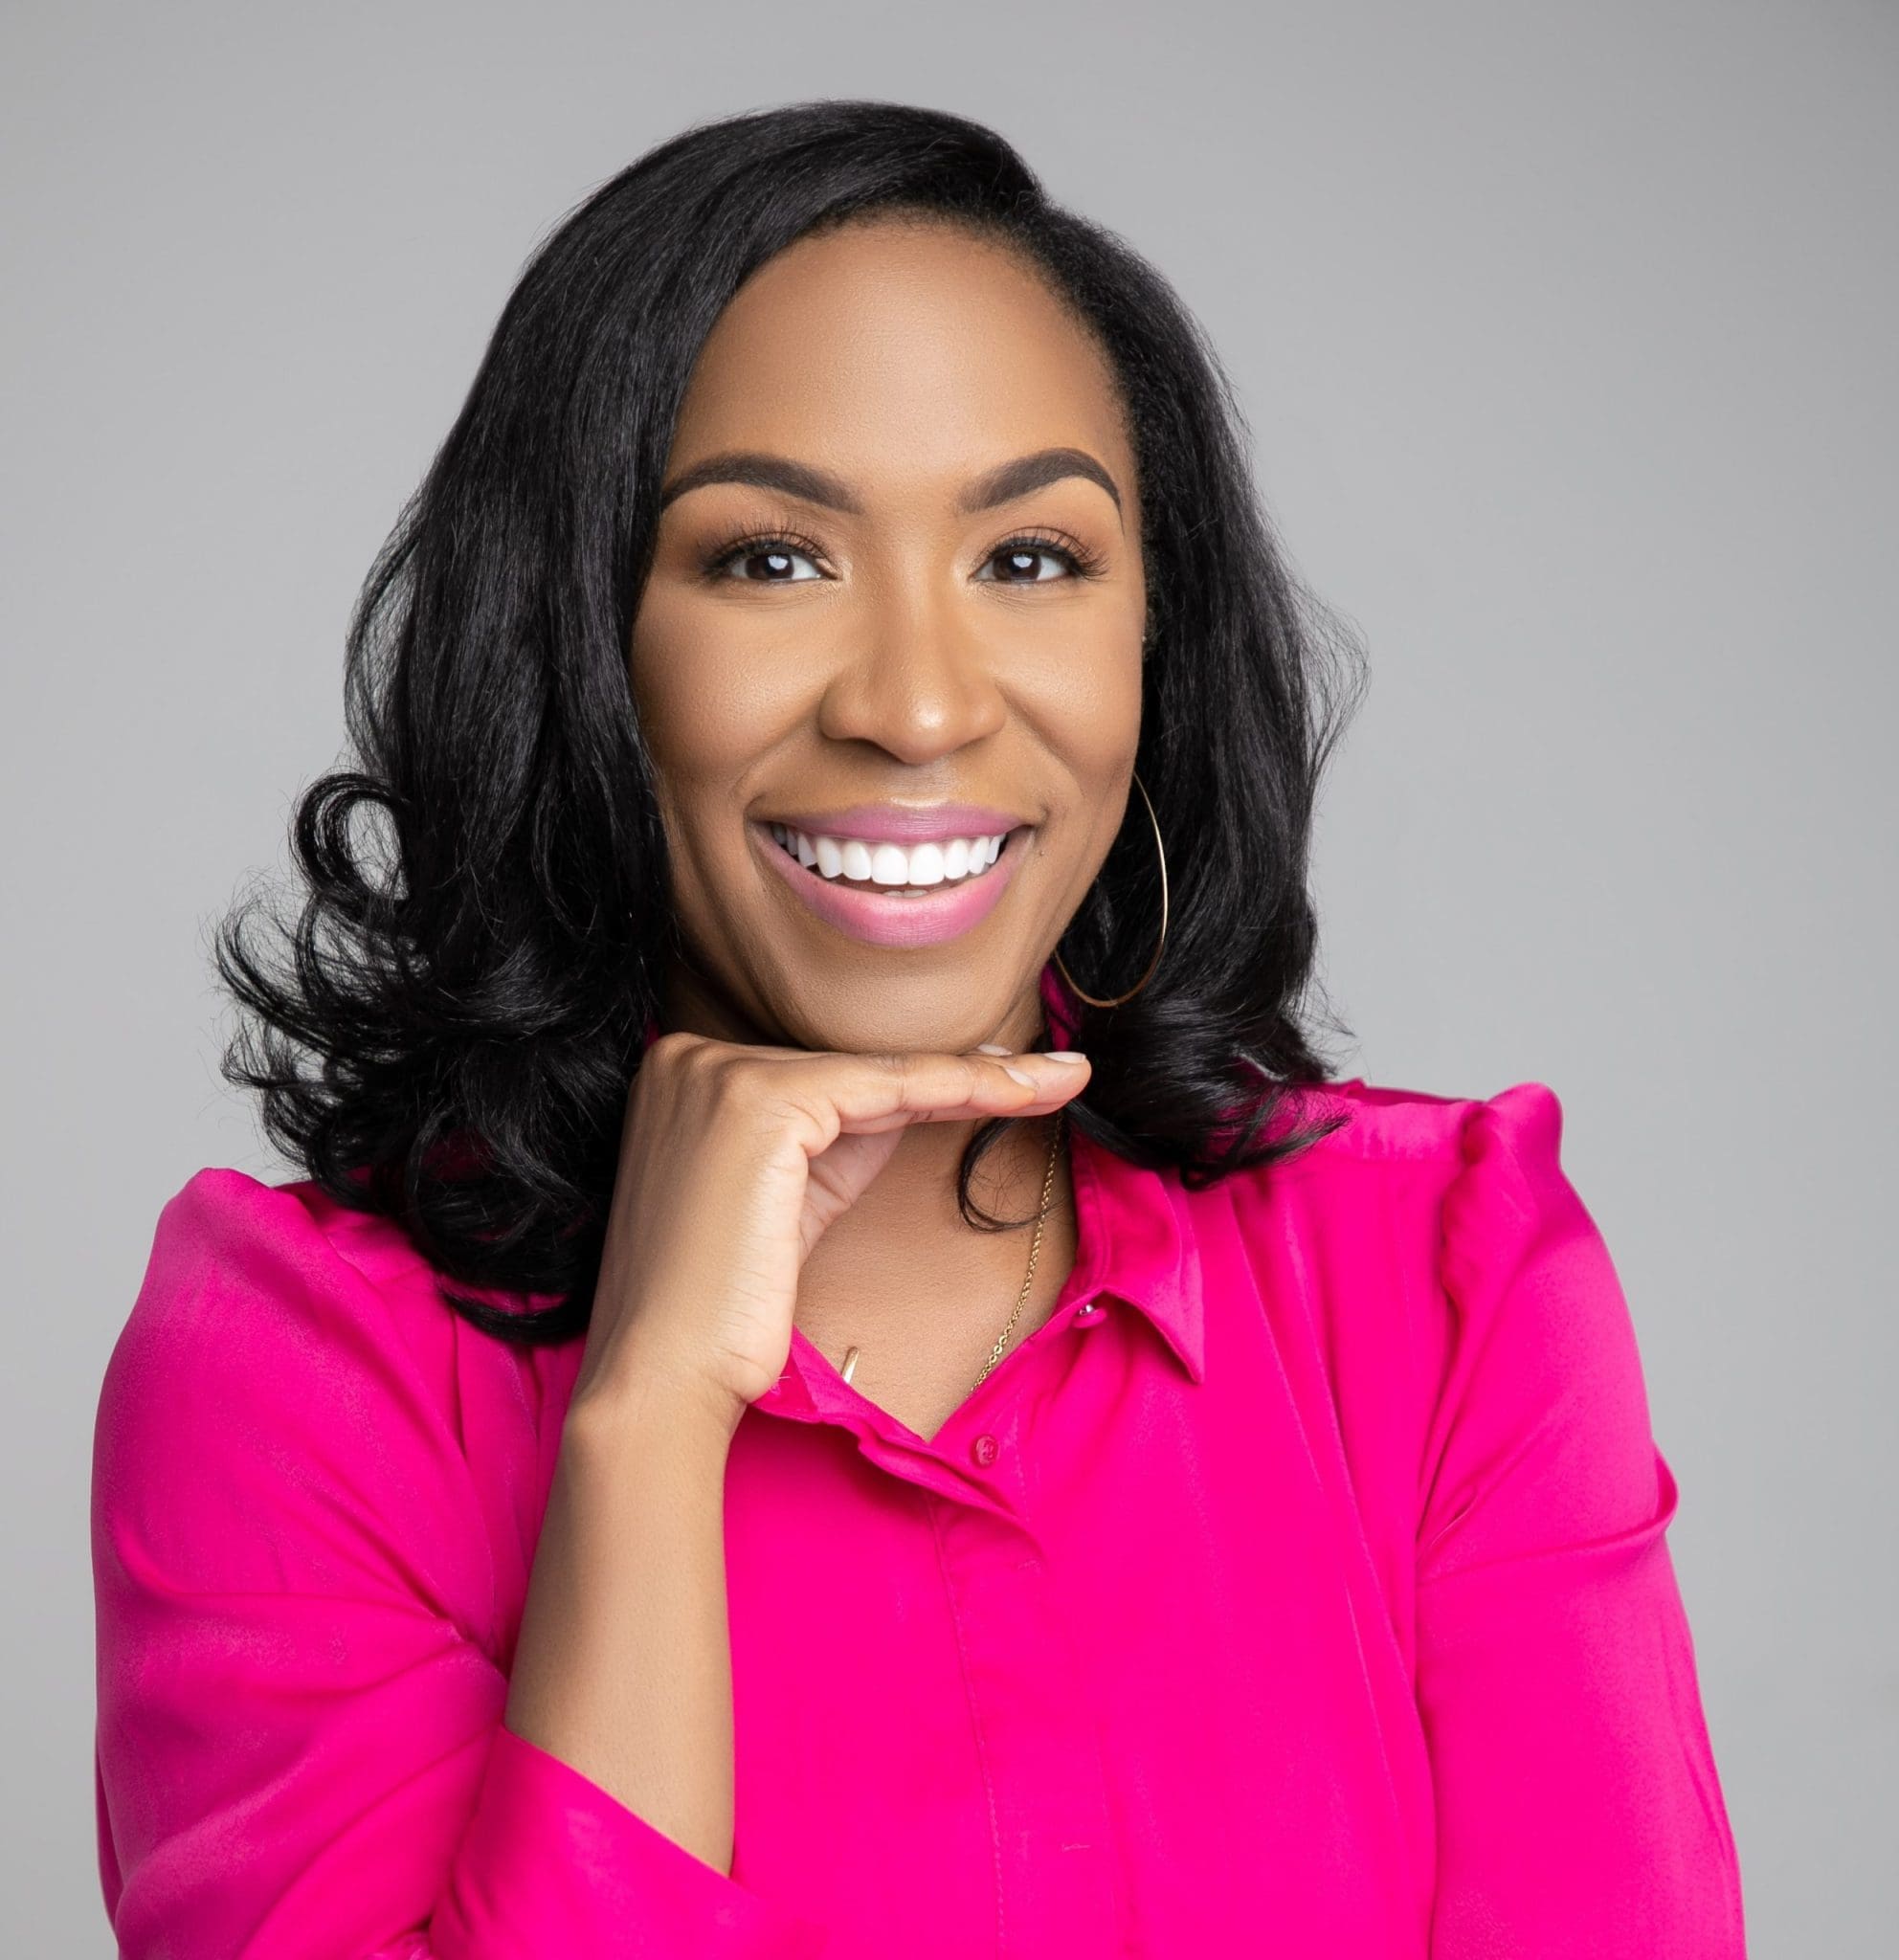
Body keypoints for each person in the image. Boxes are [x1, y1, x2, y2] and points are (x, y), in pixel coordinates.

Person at [89, 99, 1746, 1957]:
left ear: (1149, 639)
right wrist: (642, 1423)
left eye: (1028, 560)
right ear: (581, 634)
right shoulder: (305, 1372)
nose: (916, 702)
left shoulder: (1441, 1278)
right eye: (771, 559)